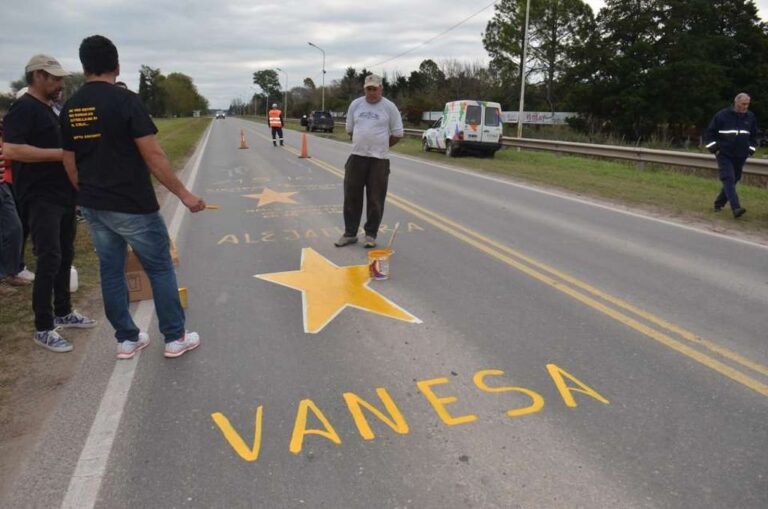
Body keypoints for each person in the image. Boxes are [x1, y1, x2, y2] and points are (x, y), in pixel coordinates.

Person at [60, 35, 205, 360]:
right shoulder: (127, 101)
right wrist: (184, 195)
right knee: (160, 268)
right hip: (133, 205)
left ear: (84, 68)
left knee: (111, 271)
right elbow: (154, 155)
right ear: (117, 65)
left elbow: (69, 161)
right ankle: (174, 337)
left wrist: (84, 196)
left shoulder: (70, 107)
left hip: (95, 206)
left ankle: (126, 339)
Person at [3, 54, 96, 353]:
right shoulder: (24, 109)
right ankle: (43, 326)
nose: (60, 83)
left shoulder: (52, 108)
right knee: (49, 258)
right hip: (40, 196)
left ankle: (63, 311)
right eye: (54, 78)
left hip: (63, 194)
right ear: (38, 76)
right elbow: (12, 150)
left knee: (65, 254)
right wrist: (60, 154)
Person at [335, 74, 403, 249]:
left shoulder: (389, 107)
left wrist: (381, 146)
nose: (371, 92)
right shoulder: (356, 105)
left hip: (379, 161)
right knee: (351, 196)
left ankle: (371, 235)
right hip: (357, 157)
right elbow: (350, 129)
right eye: (368, 89)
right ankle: (350, 234)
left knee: (375, 199)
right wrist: (363, 143)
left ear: (381, 88)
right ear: (364, 89)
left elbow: (397, 133)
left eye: (375, 88)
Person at [703, 93, 758, 218]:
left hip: (741, 155)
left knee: (735, 179)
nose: (745, 106)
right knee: (729, 178)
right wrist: (715, 150)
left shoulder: (750, 116)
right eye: (743, 104)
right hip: (724, 154)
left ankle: (719, 203)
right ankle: (736, 207)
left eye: (747, 104)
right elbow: (709, 134)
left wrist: (750, 149)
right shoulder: (722, 115)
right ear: (736, 102)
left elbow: (754, 136)